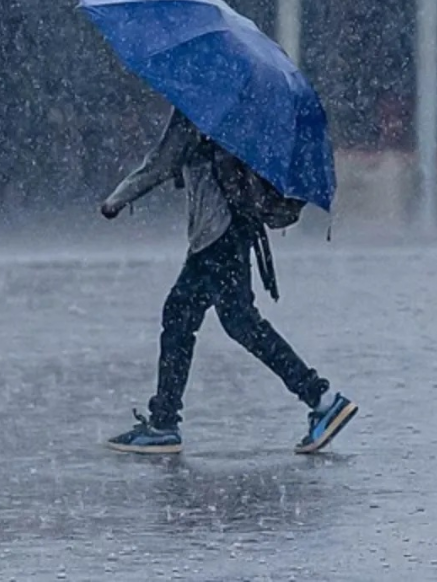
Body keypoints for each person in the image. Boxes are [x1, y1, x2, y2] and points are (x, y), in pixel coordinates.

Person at [100, 106, 356, 455]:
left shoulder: (198, 106)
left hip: (215, 234)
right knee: (223, 320)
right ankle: (165, 420)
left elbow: (161, 163)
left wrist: (116, 199)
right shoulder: (238, 109)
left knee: (197, 318)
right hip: (234, 229)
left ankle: (321, 398)